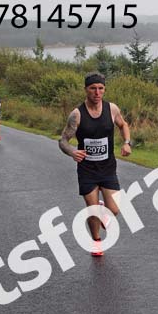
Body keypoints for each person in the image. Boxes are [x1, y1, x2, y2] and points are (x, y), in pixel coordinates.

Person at [58, 73, 131, 257]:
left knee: (114, 210)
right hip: (87, 170)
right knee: (92, 211)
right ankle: (96, 241)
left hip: (107, 168)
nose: (97, 92)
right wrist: (72, 152)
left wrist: (127, 142)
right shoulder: (77, 114)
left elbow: (123, 125)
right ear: (86, 89)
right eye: (93, 88)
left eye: (101, 88)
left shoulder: (111, 109)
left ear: (104, 90)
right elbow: (63, 140)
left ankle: (102, 209)